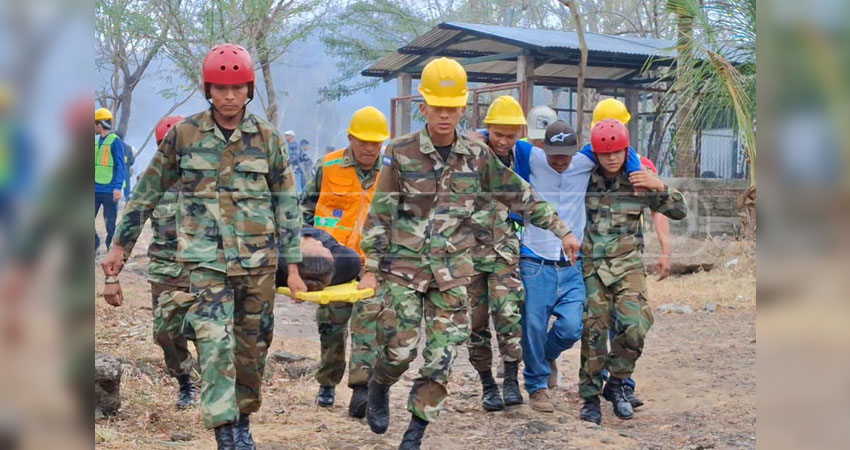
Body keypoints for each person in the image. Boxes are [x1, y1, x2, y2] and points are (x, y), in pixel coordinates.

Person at [359, 57, 580, 450]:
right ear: (423, 106)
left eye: (452, 107)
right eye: (437, 107)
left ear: (463, 108)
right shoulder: (400, 150)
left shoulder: (476, 155)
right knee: (400, 350)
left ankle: (416, 430)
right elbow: (381, 212)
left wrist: (562, 230)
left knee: (441, 358)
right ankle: (379, 383)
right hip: (404, 270)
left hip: (452, 272)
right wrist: (372, 269)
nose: (444, 115)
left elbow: (519, 194)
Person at [101, 43, 307, 450]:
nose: (229, 97)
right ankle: (225, 431)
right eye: (220, 88)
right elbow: (146, 192)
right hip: (205, 264)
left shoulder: (267, 139)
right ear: (208, 89)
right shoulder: (184, 135)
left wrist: (295, 267)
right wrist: (119, 246)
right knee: (214, 345)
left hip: (257, 265)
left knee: (251, 351)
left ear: (249, 89)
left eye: (236, 88)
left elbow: (286, 204)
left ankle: (243, 418)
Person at [517, 120, 643, 413]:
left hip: (574, 263)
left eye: (566, 156)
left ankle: (545, 355)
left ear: (577, 151)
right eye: (554, 156)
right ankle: (537, 386)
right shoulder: (531, 156)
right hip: (535, 257)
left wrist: (637, 170)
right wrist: (481, 133)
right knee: (533, 325)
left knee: (572, 327)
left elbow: (619, 149)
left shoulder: (585, 160)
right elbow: (502, 138)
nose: (561, 162)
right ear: (542, 148)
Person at [578, 119, 687, 425]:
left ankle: (616, 383)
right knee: (593, 330)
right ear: (595, 154)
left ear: (627, 150)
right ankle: (589, 398)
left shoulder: (640, 179)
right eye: (605, 153)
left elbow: (680, 211)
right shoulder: (583, 178)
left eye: (617, 151)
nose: (611, 158)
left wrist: (661, 186)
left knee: (636, 325)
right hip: (593, 267)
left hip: (628, 266)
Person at [102, 115, 198, 409]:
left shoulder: (212, 179)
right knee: (166, 333)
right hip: (166, 269)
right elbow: (132, 223)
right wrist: (114, 273)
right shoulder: (152, 181)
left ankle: (215, 381)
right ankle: (185, 379)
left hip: (207, 269)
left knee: (209, 328)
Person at [300, 106, 390, 414]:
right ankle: (327, 384)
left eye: (376, 142)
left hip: (372, 265)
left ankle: (361, 390)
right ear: (350, 138)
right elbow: (304, 212)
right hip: (335, 263)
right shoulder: (328, 166)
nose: (369, 148)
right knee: (332, 328)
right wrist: (307, 250)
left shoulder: (391, 172)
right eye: (363, 141)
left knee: (368, 328)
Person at [464, 95, 530, 411]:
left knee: (508, 315)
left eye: (510, 135)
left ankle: (512, 381)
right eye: (497, 134)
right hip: (469, 253)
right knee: (475, 323)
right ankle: (488, 385)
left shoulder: (523, 156)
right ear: (488, 128)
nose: (503, 141)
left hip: (505, 252)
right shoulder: (469, 152)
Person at [94, 106, 125, 253]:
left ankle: (111, 247)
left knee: (110, 223)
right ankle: (94, 243)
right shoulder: (94, 141)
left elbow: (120, 166)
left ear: (99, 124)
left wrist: (118, 187)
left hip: (110, 190)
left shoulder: (115, 141)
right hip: (94, 188)